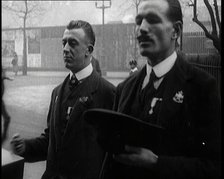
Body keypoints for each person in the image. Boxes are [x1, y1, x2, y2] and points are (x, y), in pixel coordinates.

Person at [103, 0, 221, 179]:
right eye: (138, 21)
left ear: (176, 31)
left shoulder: (202, 87)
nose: (141, 28)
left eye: (152, 20)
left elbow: (214, 167)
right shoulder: (124, 89)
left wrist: (157, 163)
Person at [10, 20, 115, 179]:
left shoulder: (107, 93)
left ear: (89, 50)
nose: (65, 49)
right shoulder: (57, 92)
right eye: (64, 43)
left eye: (72, 43)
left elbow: (112, 156)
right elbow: (51, 141)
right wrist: (26, 147)